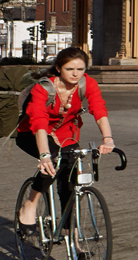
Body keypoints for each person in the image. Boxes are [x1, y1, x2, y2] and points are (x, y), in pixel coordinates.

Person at [15, 46, 114, 235]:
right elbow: (39, 122)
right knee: (52, 161)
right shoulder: (44, 88)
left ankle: (73, 238)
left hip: (65, 134)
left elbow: (99, 110)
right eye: (70, 69)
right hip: (32, 133)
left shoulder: (87, 84)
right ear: (59, 68)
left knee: (71, 181)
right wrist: (44, 155)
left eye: (80, 69)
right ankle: (30, 203)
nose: (76, 74)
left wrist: (108, 139)